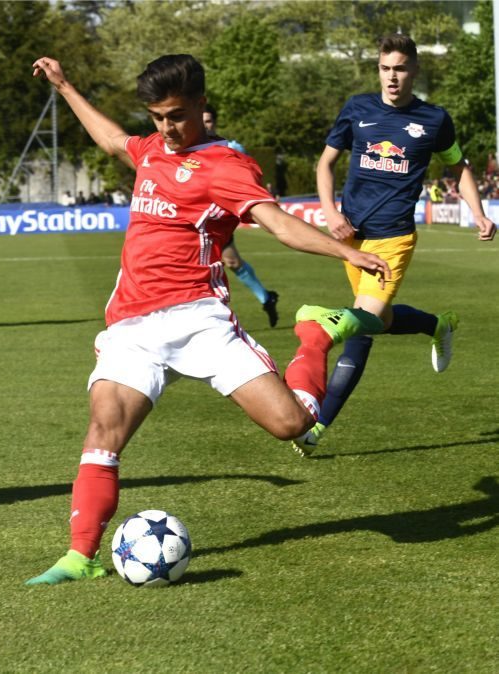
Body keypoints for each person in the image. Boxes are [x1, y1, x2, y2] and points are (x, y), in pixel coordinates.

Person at [24, 54, 390, 585]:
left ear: (200, 105)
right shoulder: (150, 150)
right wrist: (64, 85)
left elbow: (279, 225)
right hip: (132, 325)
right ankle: (80, 556)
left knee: (293, 425)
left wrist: (347, 255)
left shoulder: (226, 166)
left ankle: (315, 334)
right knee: (103, 429)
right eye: (155, 117)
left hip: (200, 321)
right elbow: (109, 140)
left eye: (175, 115)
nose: (166, 129)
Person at [307, 34, 496, 454]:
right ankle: (436, 325)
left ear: (415, 70)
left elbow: (459, 166)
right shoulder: (357, 108)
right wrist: (331, 213)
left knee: (357, 325)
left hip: (394, 237)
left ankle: (317, 425)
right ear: (378, 69)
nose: (392, 77)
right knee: (380, 318)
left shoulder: (433, 119)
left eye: (400, 68)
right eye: (385, 68)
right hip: (351, 237)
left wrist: (480, 213)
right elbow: (325, 163)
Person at [202, 104, 280, 327]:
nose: (205, 125)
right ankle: (266, 297)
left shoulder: (232, 148)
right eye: (201, 120)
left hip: (219, 218)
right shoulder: (189, 149)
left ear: (214, 123)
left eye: (208, 121)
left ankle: (214, 319)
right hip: (196, 219)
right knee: (229, 261)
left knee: (221, 261)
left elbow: (249, 178)